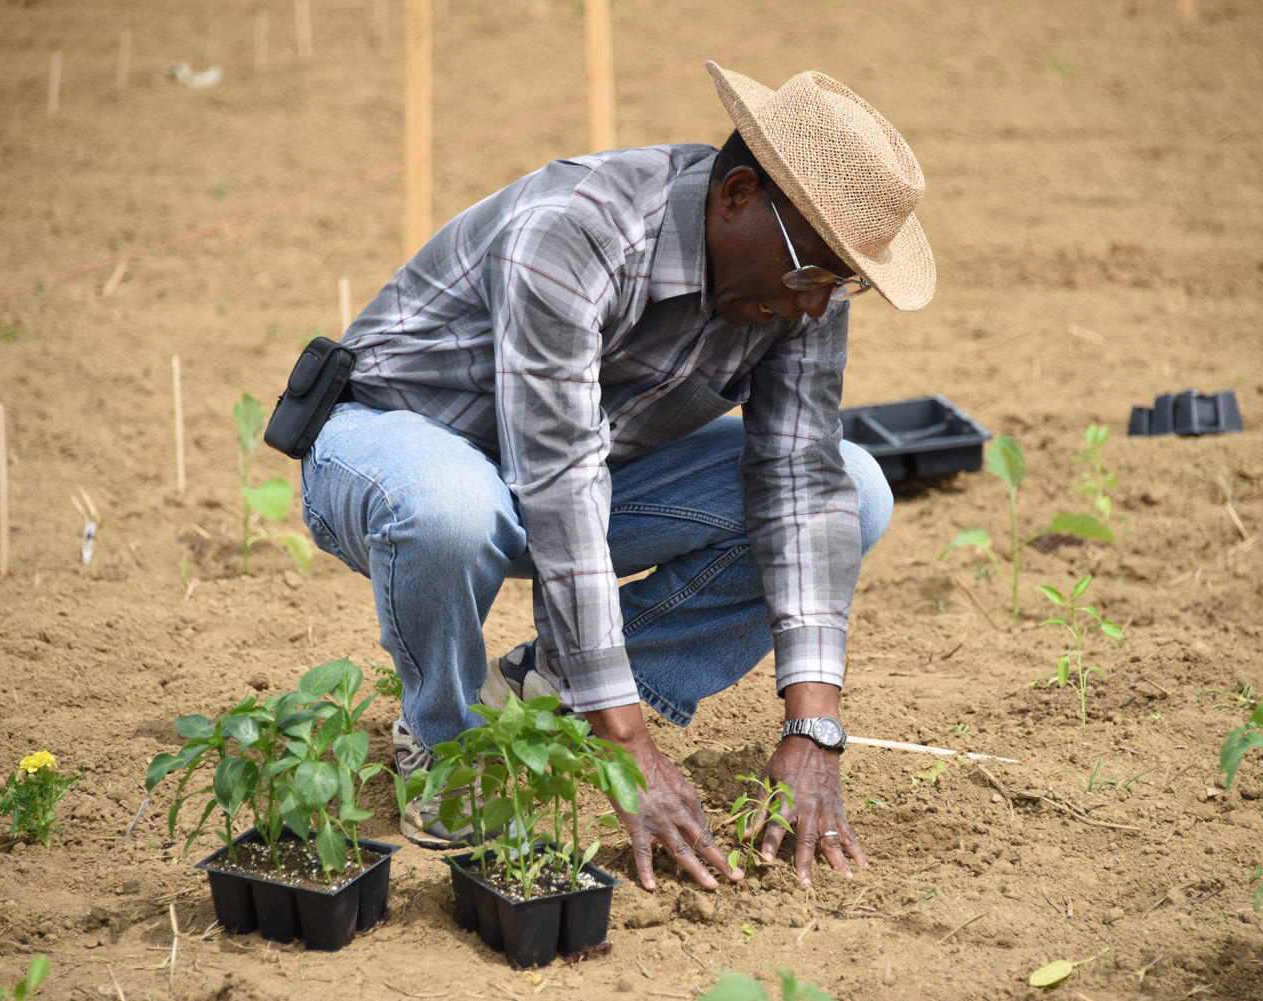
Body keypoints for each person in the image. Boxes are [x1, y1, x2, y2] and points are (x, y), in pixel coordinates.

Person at [298, 61, 935, 891]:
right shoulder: (580, 232)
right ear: (737, 194)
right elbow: (558, 485)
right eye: (813, 274)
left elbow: (800, 485)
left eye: (839, 283)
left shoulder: (796, 293)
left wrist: (815, 728)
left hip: (577, 473)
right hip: (391, 447)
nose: (816, 306)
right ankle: (445, 739)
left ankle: (546, 687)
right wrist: (629, 747)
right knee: (453, 507)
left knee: (859, 489)